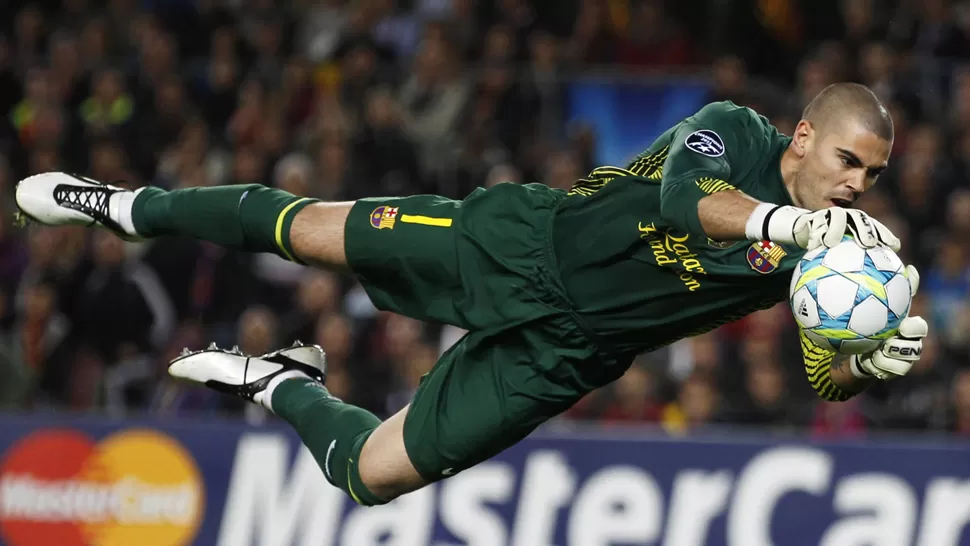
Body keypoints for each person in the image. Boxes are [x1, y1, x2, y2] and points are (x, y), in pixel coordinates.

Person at [14, 82, 928, 506]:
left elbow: (822, 367)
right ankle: (133, 207)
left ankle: (282, 383)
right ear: (804, 137)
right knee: (307, 231)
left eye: (872, 175)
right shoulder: (733, 131)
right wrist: (788, 227)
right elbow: (688, 204)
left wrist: (862, 360)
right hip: (516, 244)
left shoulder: (833, 257)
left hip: (568, 353)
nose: (856, 185)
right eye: (847, 160)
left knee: (372, 477)